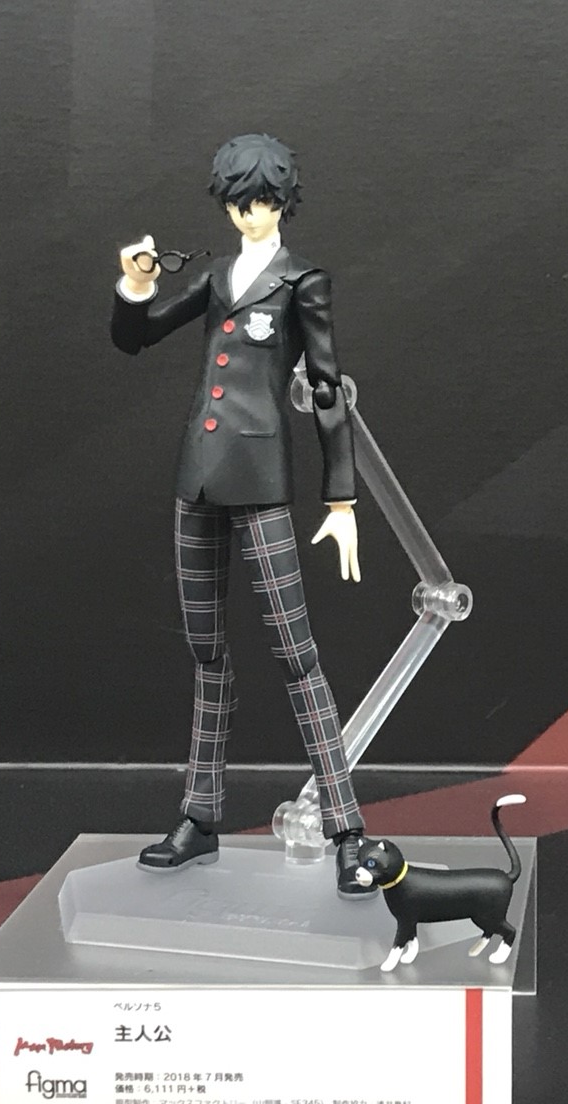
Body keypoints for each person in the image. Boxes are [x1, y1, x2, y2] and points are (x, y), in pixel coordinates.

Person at [110, 133, 370, 895]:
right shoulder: (217, 276)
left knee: (296, 653)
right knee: (206, 652)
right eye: (237, 202)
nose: (249, 213)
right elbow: (137, 336)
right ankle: (199, 816)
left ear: (283, 201)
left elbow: (327, 387)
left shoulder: (301, 281)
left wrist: (342, 497)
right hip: (198, 474)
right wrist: (133, 285)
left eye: (261, 201)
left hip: (260, 480)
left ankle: (348, 829)